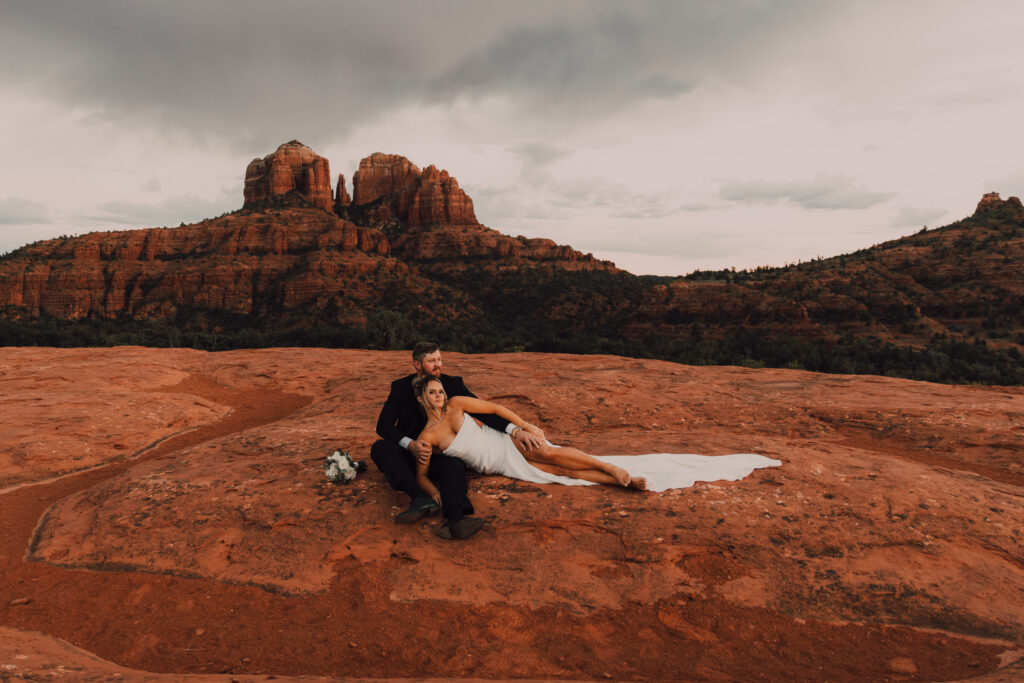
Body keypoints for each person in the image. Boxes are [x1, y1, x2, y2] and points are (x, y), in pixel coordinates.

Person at [412, 375, 782, 496]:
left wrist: (523, 427)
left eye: (440, 390)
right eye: (432, 392)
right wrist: (435, 495)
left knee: (552, 457)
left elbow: (493, 409)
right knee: (562, 475)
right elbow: (422, 475)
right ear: (420, 398)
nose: (439, 395)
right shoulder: (426, 437)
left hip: (503, 443)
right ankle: (620, 481)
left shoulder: (458, 405)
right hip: (495, 466)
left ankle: (616, 471)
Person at [372, 341, 546, 540]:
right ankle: (419, 499)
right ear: (417, 365)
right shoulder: (401, 387)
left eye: (439, 359)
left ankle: (456, 519)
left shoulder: (453, 384)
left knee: (454, 466)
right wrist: (410, 445)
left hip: (439, 455)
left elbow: (486, 412)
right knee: (380, 448)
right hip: (409, 452)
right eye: (431, 361)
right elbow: (383, 425)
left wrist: (516, 430)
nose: (438, 365)